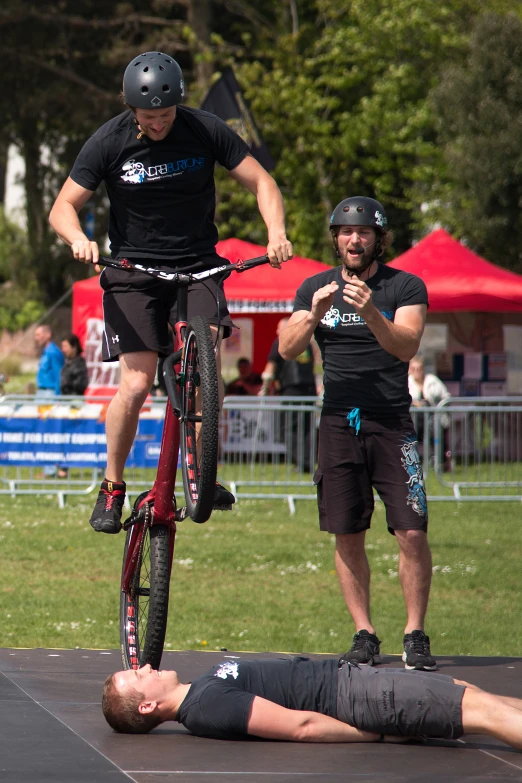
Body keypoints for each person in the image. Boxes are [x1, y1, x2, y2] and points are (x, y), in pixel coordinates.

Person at [49, 51, 292, 535]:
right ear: (131, 109)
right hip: (132, 270)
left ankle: (202, 473)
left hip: (199, 265)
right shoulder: (110, 140)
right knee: (137, 384)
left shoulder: (205, 129)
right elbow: (62, 207)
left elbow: (262, 181)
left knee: (205, 375)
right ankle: (112, 486)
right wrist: (78, 238)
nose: (158, 124)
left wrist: (276, 232)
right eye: (149, 117)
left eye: (166, 115)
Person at [278, 196, 435, 671]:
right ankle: (364, 633)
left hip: (391, 422)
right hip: (338, 424)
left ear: (378, 239)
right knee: (346, 532)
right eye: (346, 233)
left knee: (411, 530)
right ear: (336, 238)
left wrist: (370, 313)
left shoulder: (404, 286)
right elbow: (286, 349)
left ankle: (415, 634)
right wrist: (312, 314)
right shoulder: (314, 287)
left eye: (364, 233)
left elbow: (405, 345)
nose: (354, 239)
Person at [102, 658, 522, 751]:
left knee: (473, 695)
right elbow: (299, 725)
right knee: (486, 713)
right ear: (145, 708)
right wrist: (376, 733)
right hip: (359, 698)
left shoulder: (202, 691)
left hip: (357, 681)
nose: (146, 666)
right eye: (137, 676)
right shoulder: (208, 707)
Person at [260, 317, 321, 472]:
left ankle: (300, 461)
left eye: (279, 328)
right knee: (306, 427)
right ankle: (307, 461)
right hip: (309, 389)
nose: (276, 331)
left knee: (286, 427)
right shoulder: (307, 343)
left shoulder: (280, 342)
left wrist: (265, 389)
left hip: (291, 388)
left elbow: (270, 369)